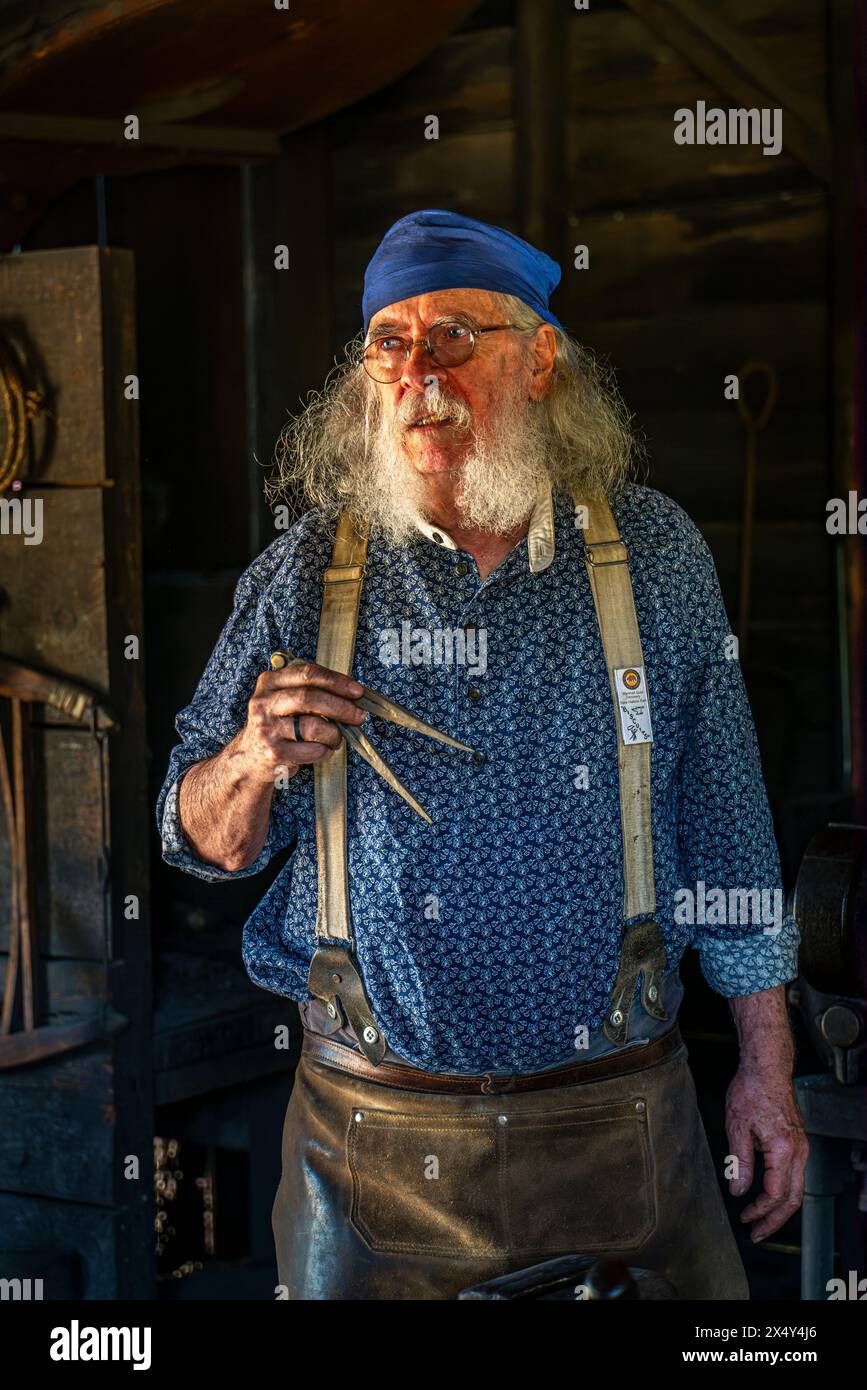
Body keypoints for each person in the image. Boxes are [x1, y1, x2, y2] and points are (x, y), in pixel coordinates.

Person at [156, 208, 807, 1300]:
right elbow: (192, 838)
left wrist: (768, 1069)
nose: (421, 371)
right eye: (391, 344)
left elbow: (730, 827)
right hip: (369, 1141)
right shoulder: (306, 571)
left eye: (456, 334)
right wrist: (251, 758)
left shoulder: (654, 553)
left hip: (620, 1125)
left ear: (541, 357)